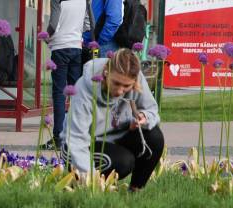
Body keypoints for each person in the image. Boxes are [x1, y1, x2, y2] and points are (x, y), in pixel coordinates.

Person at [60, 48, 164, 191]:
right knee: (124, 162)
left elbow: (152, 110)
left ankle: (135, 191)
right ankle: (80, 182)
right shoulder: (83, 89)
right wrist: (90, 181)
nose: (120, 91)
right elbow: (76, 140)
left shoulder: (137, 78)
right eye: (116, 83)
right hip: (80, 145)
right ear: (105, 72)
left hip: (115, 140)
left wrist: (144, 118)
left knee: (155, 137)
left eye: (127, 86)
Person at [40, 0, 87, 150]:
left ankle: (58, 137)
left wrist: (46, 37)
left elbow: (53, 24)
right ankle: (76, 136)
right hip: (76, 48)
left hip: (60, 47)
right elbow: (88, 24)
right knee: (76, 93)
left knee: (60, 94)